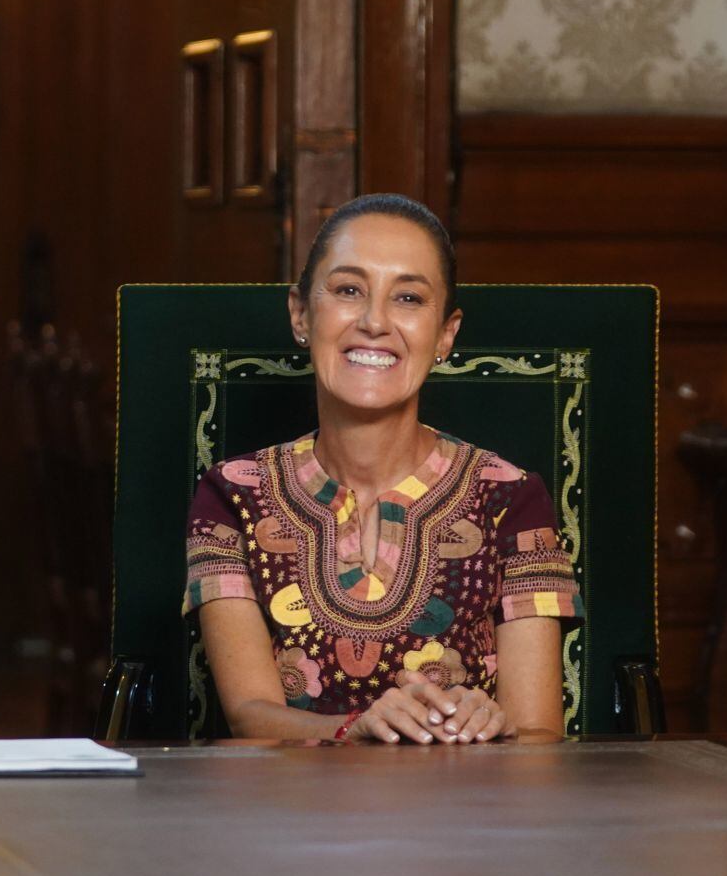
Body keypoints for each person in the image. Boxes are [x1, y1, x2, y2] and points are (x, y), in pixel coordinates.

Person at [183, 194, 580, 744]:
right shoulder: (232, 495)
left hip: (464, 816)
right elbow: (250, 716)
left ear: (445, 334)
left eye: (409, 298)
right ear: (300, 313)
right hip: (287, 817)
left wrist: (497, 725)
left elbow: (542, 735)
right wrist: (356, 729)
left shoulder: (510, 498)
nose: (374, 322)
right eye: (348, 290)